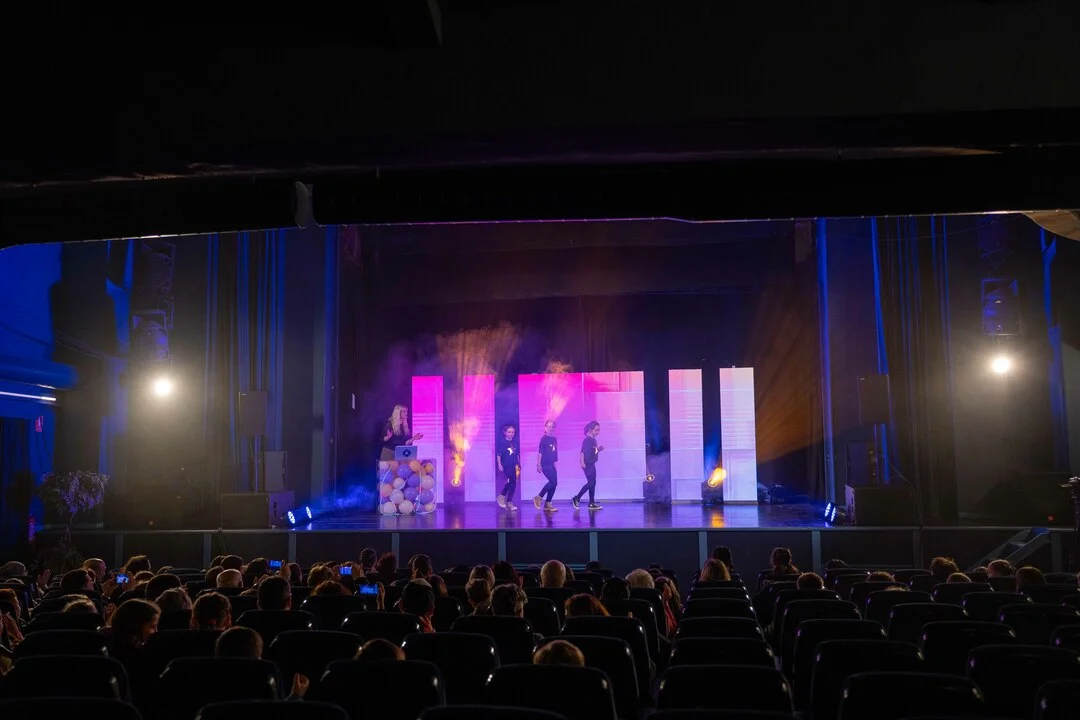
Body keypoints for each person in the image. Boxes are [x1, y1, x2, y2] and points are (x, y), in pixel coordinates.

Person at [571, 421, 604, 510]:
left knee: (593, 483)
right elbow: (582, 452)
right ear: (590, 430)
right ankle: (576, 498)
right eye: (596, 430)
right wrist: (582, 462)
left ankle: (591, 503)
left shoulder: (593, 440)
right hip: (587, 464)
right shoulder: (587, 440)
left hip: (592, 463)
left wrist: (599, 449)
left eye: (598, 430)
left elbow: (593, 452)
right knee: (591, 483)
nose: (597, 432)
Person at [533, 420, 559, 512]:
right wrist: (538, 464)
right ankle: (539, 497)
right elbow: (540, 452)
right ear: (545, 428)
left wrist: (555, 464)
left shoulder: (554, 439)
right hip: (545, 463)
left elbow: (554, 452)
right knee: (553, 482)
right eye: (549, 426)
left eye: (552, 427)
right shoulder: (544, 439)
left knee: (554, 483)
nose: (551, 428)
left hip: (551, 464)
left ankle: (548, 503)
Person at [496, 424, 521, 511]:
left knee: (512, 483)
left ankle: (505, 499)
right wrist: (499, 464)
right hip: (506, 465)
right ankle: (506, 499)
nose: (511, 434)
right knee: (512, 482)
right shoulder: (502, 443)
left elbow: (517, 454)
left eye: (512, 432)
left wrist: (518, 464)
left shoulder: (515, 442)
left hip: (514, 465)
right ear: (505, 433)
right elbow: (499, 455)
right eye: (509, 432)